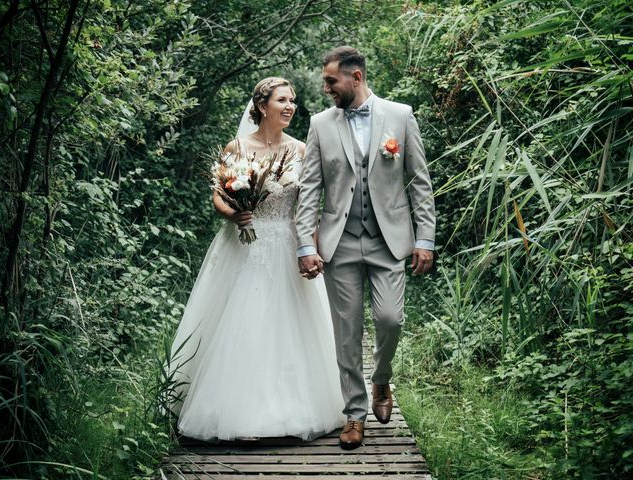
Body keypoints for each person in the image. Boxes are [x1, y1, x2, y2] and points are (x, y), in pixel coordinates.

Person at [168, 77, 344, 442]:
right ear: (262, 106)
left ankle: (290, 408)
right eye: (282, 100)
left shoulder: (300, 150)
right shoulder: (238, 147)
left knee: (289, 325)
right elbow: (219, 196)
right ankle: (239, 414)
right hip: (245, 245)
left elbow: (306, 207)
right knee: (245, 322)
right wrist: (234, 215)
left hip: (287, 242)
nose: (290, 106)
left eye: (293, 101)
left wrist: (310, 249)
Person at [295, 46, 436, 450]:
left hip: (388, 241)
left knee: (390, 319)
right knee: (347, 332)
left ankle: (381, 380)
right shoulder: (321, 124)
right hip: (339, 243)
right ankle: (354, 415)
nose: (326, 88)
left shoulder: (400, 116)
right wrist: (307, 244)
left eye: (330, 81)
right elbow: (310, 191)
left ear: (355, 78)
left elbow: (420, 183)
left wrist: (424, 238)